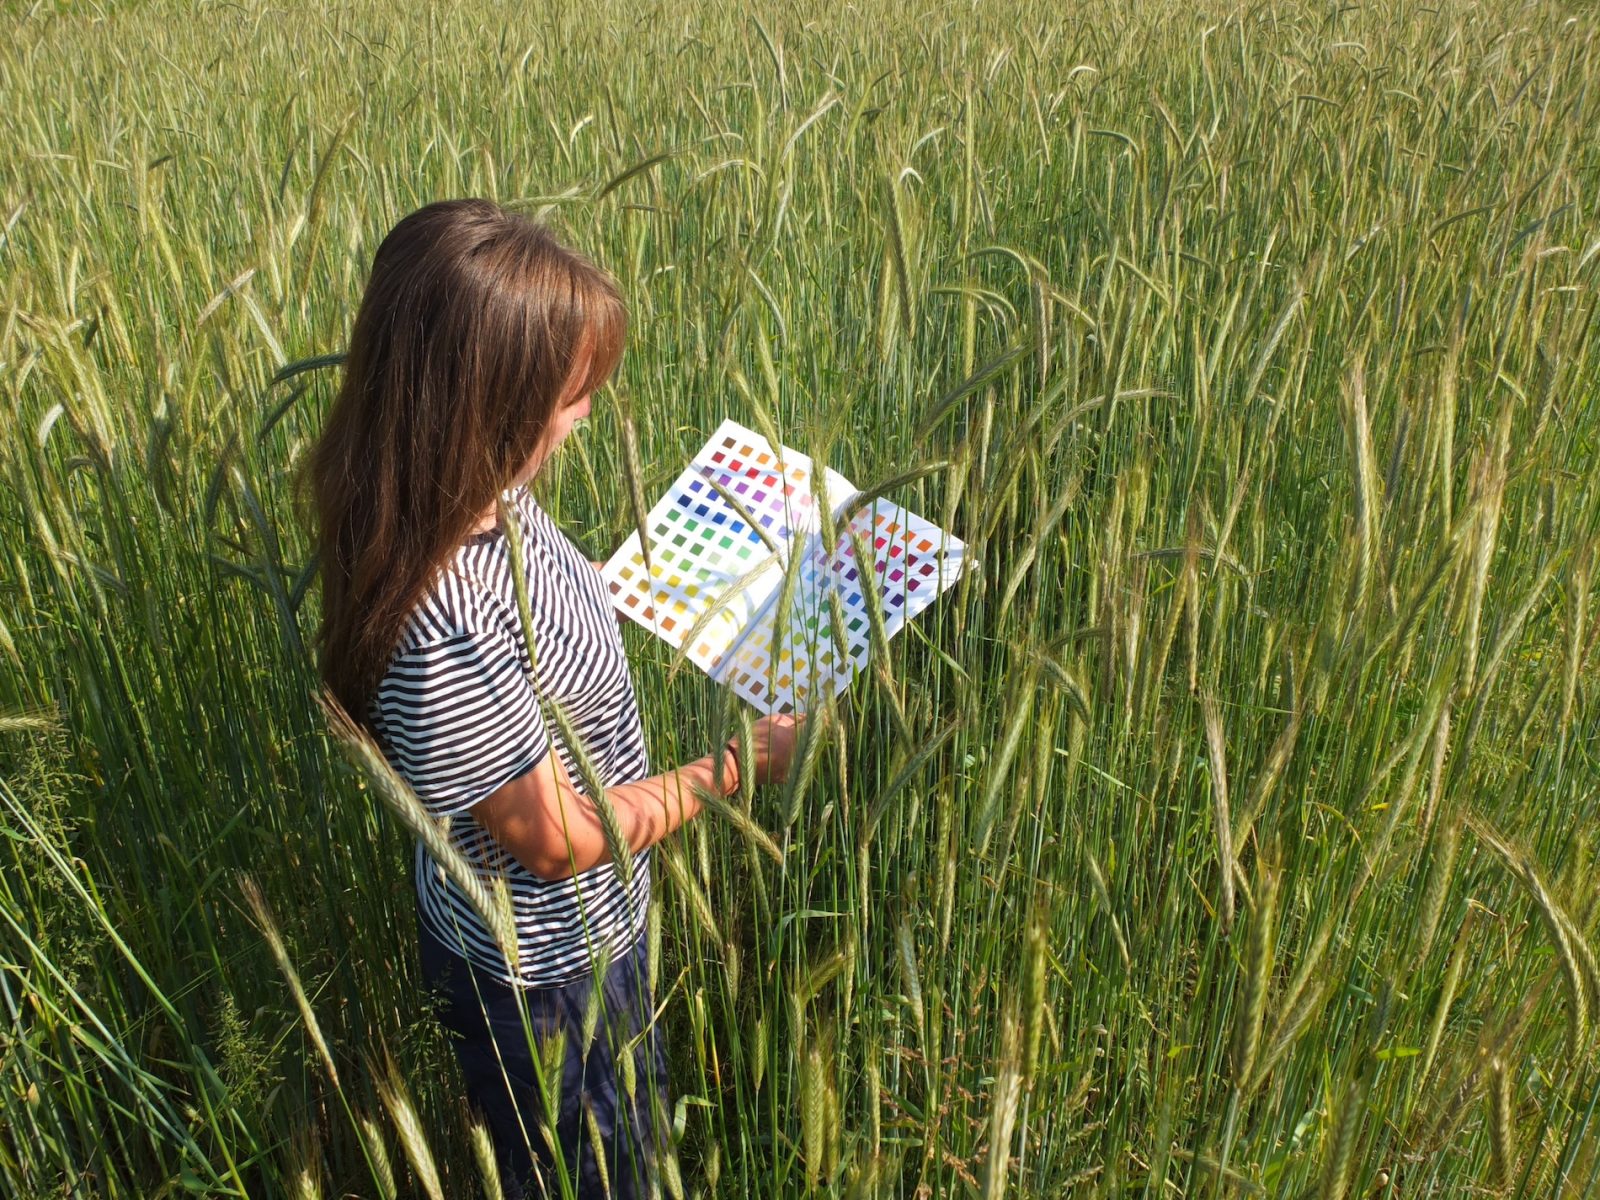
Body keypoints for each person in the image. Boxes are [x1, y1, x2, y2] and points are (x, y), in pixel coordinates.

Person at [306, 198, 802, 1198]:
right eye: (572, 399)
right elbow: (560, 842)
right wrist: (736, 766)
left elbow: (536, 633)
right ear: (485, 411)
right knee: (597, 1173)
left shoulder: (465, 499)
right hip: (543, 974)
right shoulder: (445, 620)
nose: (588, 416)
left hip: (585, 937)